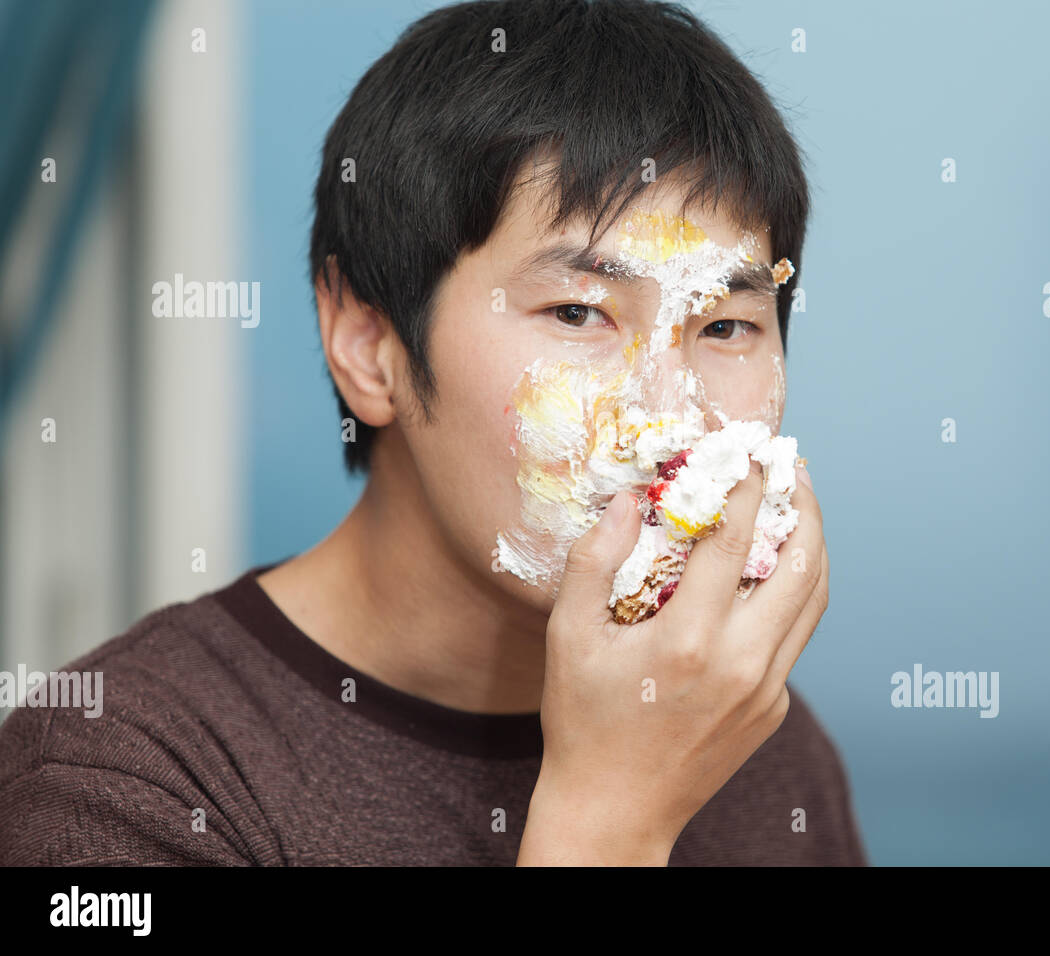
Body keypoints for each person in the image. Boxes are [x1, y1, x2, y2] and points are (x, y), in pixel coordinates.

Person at [0, 0, 867, 866]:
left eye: (726, 328)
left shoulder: (741, 730)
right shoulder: (121, 781)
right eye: (578, 312)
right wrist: (610, 815)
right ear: (368, 347)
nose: (674, 413)